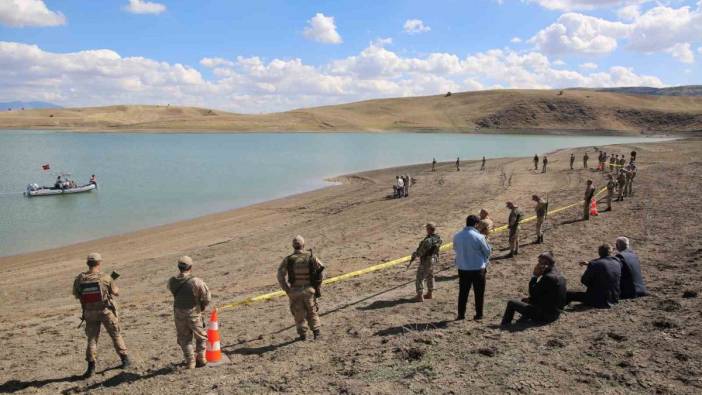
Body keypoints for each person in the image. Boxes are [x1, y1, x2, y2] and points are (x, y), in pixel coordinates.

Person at [72, 253, 129, 377]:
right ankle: (125, 360)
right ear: (99, 263)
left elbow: (77, 295)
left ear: (88, 263)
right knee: (115, 334)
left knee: (92, 339)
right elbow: (115, 292)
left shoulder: (79, 279)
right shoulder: (105, 277)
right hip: (105, 311)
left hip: (89, 313)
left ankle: (91, 368)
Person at [277, 236, 325, 340]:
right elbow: (321, 272)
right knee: (312, 311)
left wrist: (287, 290)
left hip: (295, 291)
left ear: (293, 246)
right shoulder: (311, 257)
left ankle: (303, 335)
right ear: (303, 245)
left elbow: (280, 276)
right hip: (309, 290)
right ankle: (316, 333)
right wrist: (317, 287)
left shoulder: (288, 259)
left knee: (299, 314)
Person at [500, 252, 567, 327]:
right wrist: (531, 300)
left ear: (545, 264)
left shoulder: (548, 278)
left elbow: (532, 293)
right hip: (556, 313)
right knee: (526, 300)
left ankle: (504, 325)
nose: (537, 265)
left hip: (546, 316)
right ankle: (523, 319)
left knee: (511, 303)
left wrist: (534, 276)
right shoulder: (559, 274)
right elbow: (546, 295)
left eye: (539, 262)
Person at [167, 256, 211, 369]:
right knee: (200, 337)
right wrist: (202, 306)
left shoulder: (172, 281)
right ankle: (201, 358)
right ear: (190, 267)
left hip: (179, 313)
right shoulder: (196, 281)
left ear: (179, 267)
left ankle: (191, 362)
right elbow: (207, 297)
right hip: (194, 313)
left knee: (184, 339)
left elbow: (172, 291)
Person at [453, 215, 491, 320]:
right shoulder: (479, 237)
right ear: (476, 224)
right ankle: (479, 314)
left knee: (463, 293)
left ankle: (461, 314)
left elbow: (455, 249)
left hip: (463, 268)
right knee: (479, 293)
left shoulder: (457, 235)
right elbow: (487, 252)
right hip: (478, 269)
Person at [566, 244, 621, 308]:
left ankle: (558, 308)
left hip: (598, 300)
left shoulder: (594, 264)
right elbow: (606, 265)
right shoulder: (617, 261)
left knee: (569, 294)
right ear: (611, 252)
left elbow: (584, 281)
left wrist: (591, 265)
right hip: (614, 298)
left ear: (599, 253)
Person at [409, 223, 443, 302]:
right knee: (430, 275)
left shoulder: (427, 240)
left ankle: (420, 295)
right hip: (434, 259)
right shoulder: (437, 238)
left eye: (427, 229)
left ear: (429, 230)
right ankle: (430, 293)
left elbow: (421, 252)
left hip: (426, 260)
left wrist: (415, 254)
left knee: (420, 277)